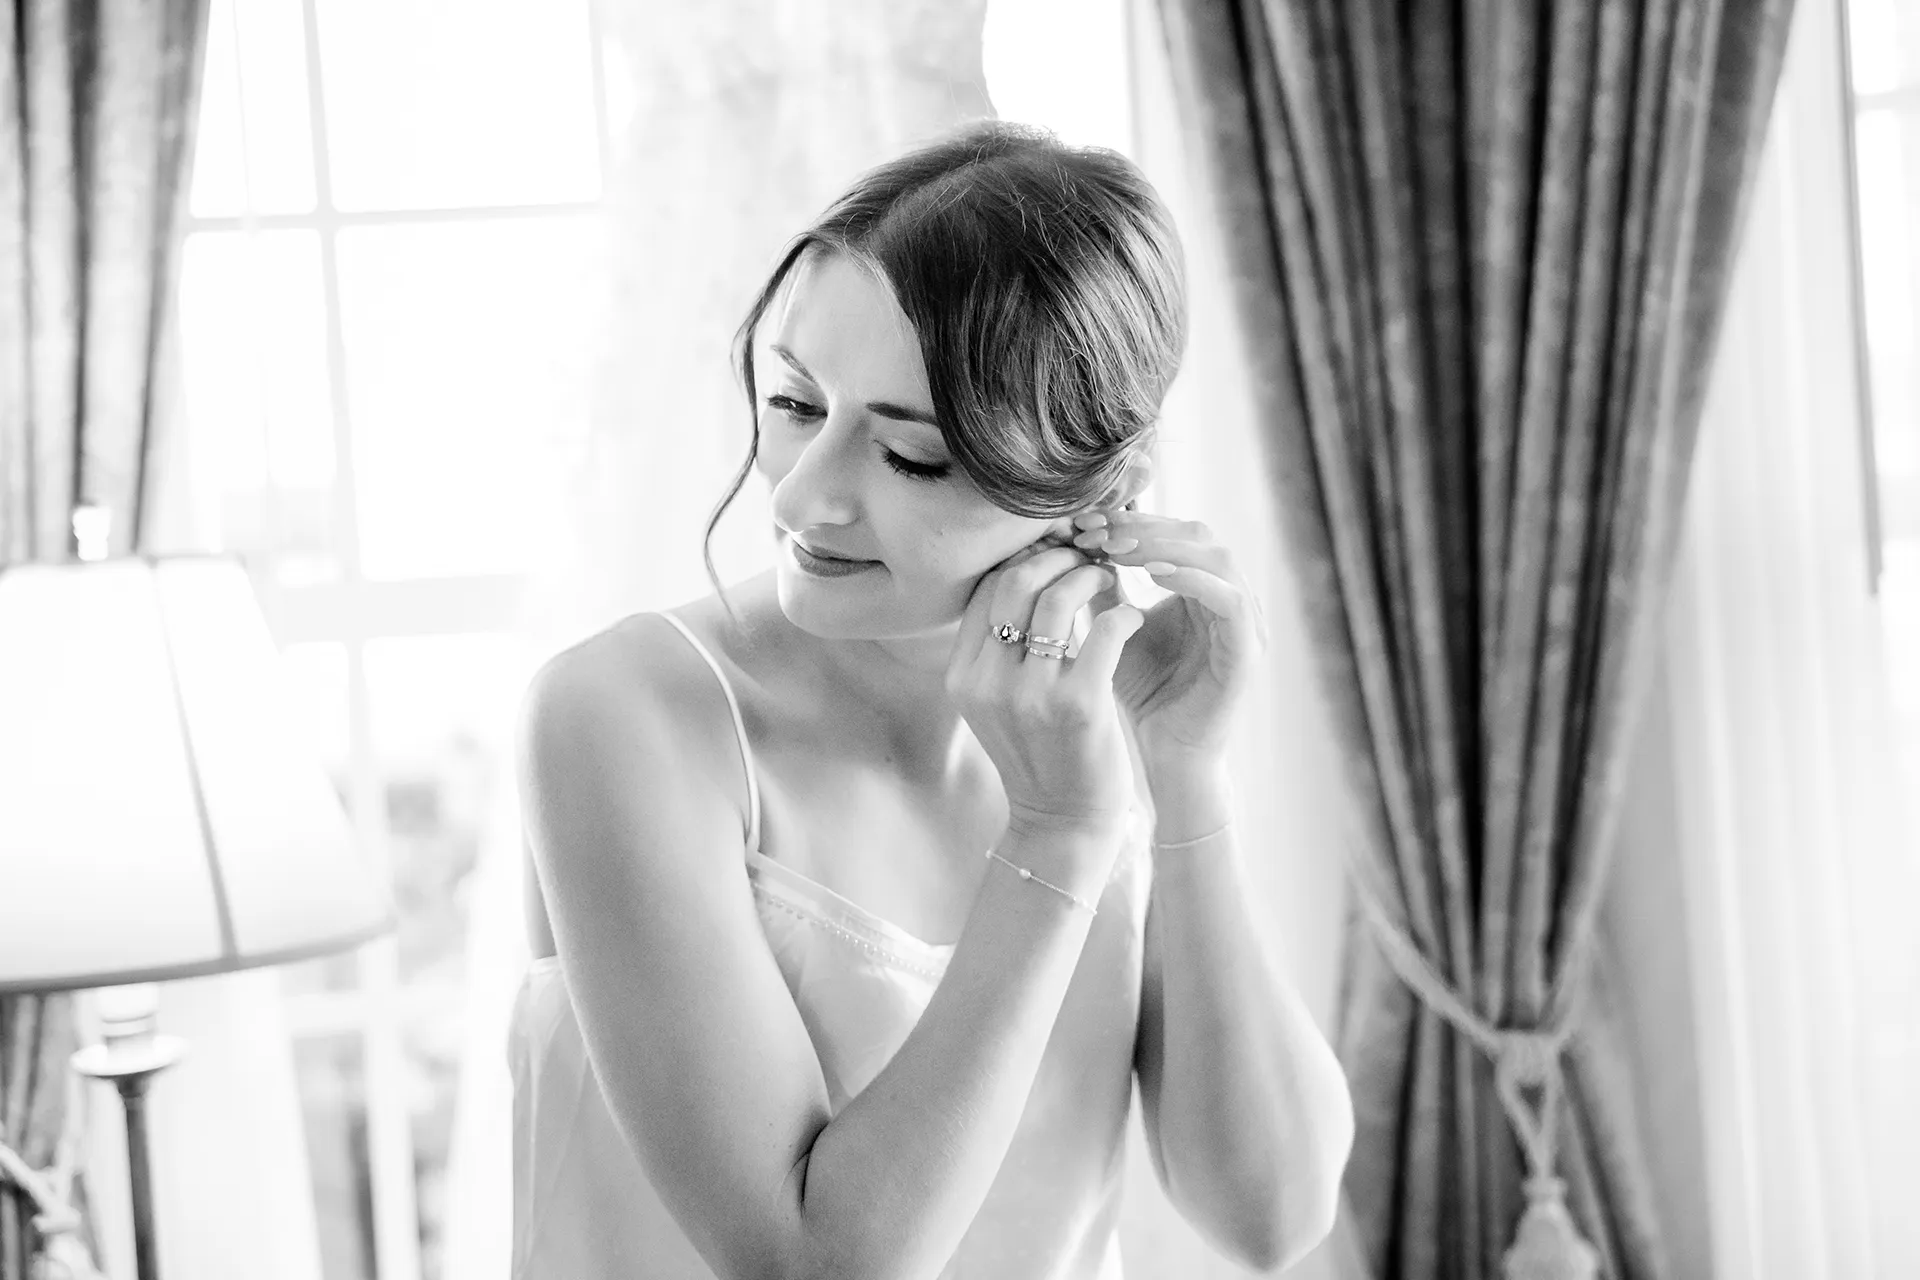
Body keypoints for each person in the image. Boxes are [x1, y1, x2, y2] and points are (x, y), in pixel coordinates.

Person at [508, 120, 1354, 1280]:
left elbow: (1269, 1213)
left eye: (910, 457)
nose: (804, 496)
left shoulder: (1089, 725)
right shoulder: (622, 717)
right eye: (797, 403)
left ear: (1101, 489)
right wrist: (1055, 838)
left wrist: (1186, 774)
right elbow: (814, 1262)